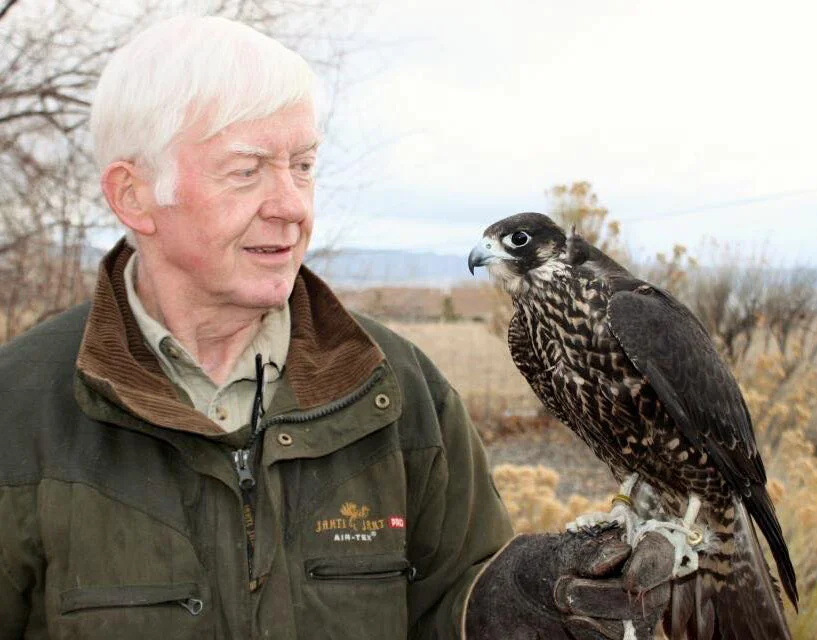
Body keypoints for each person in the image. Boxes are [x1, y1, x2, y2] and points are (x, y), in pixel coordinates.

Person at [0, 16, 684, 639]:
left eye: (303, 166)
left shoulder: (397, 388)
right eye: (247, 171)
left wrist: (519, 608)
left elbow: (456, 604)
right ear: (133, 194)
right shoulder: (19, 409)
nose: (292, 206)